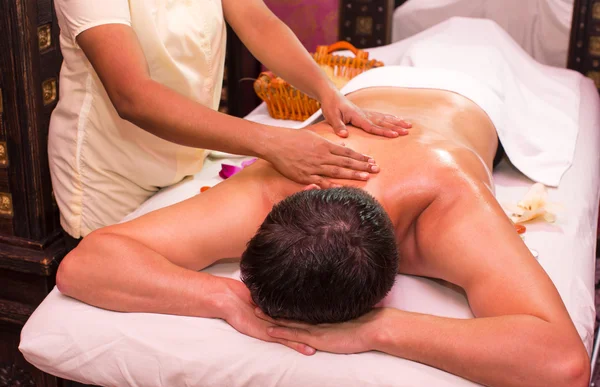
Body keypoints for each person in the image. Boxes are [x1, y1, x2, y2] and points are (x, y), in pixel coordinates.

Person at [55, 68, 589, 387]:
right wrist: (222, 297)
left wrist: (380, 331)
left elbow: (564, 368)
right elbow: (86, 264)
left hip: (476, 85)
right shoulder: (271, 191)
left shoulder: (447, 203)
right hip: (365, 87)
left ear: (382, 293)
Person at [49, 0, 410, 239]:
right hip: (112, 174)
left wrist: (327, 91)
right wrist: (272, 142)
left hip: (185, 155)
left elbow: (258, 22)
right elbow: (132, 94)